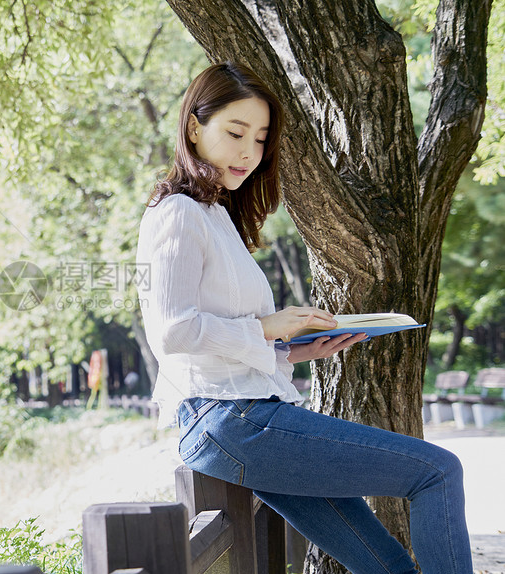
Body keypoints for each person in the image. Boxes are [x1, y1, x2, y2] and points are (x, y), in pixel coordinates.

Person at [135, 62, 471, 574]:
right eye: (235, 132)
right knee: (437, 472)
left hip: (239, 416)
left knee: (387, 567)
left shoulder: (214, 214)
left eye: (262, 138)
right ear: (194, 128)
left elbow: (221, 337)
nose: (249, 151)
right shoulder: (177, 212)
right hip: (229, 420)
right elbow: (171, 330)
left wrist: (290, 349)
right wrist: (271, 328)